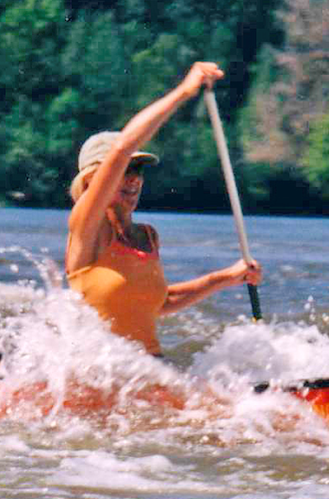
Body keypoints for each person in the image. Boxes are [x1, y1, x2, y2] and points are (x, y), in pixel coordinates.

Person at [66, 62, 262, 356]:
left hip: (150, 368)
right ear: (92, 180)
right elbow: (122, 148)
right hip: (101, 371)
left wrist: (226, 277)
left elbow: (160, 302)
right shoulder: (87, 226)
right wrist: (184, 91)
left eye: (139, 170)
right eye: (126, 169)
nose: (134, 178)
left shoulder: (147, 237)